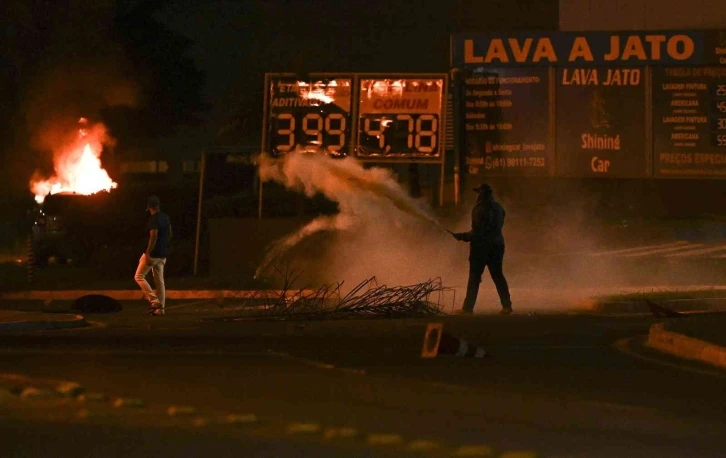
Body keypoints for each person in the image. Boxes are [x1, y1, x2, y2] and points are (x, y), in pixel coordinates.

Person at [452, 184, 512, 315]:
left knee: (474, 277)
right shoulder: (499, 208)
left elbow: (479, 231)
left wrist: (462, 236)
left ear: (481, 194)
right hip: (497, 245)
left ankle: (467, 308)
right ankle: (507, 306)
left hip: (481, 247)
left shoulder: (479, 208)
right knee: (498, 275)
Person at [134, 195, 172, 316]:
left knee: (139, 276)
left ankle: (155, 302)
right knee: (159, 281)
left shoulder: (153, 219)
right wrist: (164, 245)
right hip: (163, 253)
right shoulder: (165, 216)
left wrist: (148, 253)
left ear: (148, 207)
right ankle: (160, 309)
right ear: (158, 205)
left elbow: (153, 236)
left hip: (154, 253)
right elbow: (170, 233)